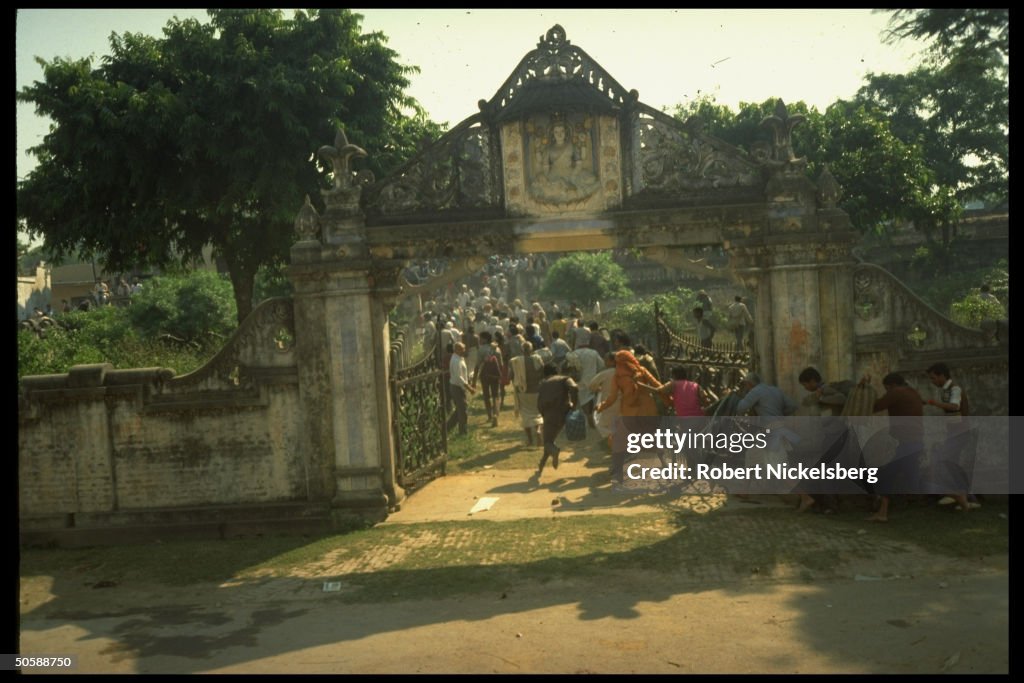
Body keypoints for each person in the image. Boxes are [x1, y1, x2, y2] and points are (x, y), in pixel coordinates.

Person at [864, 372, 926, 522]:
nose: (887, 392)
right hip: (914, 441)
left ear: (891, 386)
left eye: (886, 389)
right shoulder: (913, 392)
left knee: (886, 474)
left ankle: (882, 513)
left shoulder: (896, 392)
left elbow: (875, 406)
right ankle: (963, 497)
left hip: (905, 442)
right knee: (912, 479)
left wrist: (865, 391)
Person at [596, 350, 661, 482]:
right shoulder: (642, 370)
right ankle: (664, 467)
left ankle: (619, 472)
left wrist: (601, 407)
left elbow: (612, 397)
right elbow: (658, 387)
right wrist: (670, 398)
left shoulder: (618, 376)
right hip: (648, 410)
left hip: (629, 411)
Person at [925, 363, 977, 511]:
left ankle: (966, 496)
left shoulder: (955, 389)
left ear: (942, 375)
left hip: (960, 432)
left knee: (948, 462)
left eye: (933, 378)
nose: (932, 381)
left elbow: (955, 407)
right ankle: (959, 494)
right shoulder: (945, 390)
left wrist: (934, 403)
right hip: (954, 432)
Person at [530, 118, 600, 204]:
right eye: (556, 132)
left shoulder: (571, 145)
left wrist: (582, 142)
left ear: (565, 132)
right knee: (537, 186)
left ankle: (573, 193)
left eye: (562, 131)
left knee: (592, 179)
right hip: (554, 174)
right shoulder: (549, 149)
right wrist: (537, 148)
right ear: (553, 134)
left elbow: (581, 159)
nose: (559, 134)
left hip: (570, 172)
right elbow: (543, 164)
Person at [533, 363, 579, 480]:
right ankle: (541, 465)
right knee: (549, 440)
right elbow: (574, 387)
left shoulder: (543, 383)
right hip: (563, 411)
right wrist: (574, 405)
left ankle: (554, 451)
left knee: (548, 442)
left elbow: (539, 400)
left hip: (549, 413)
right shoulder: (564, 379)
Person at [509, 341, 545, 447]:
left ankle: (530, 440)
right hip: (536, 390)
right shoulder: (537, 359)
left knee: (525, 416)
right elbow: (542, 373)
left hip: (522, 391)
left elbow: (511, 375)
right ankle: (538, 430)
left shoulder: (515, 361)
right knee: (538, 413)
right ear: (531, 349)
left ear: (521, 350)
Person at [472, 331, 504, 427]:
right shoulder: (497, 349)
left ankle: (489, 415)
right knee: (496, 395)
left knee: (486, 396)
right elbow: (501, 364)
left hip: (485, 375)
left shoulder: (481, 350)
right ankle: (496, 414)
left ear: (485, 339)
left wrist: (473, 381)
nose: (479, 340)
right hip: (495, 375)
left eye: (480, 338)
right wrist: (500, 375)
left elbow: (477, 366)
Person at [446, 342, 475, 437]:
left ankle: (447, 427)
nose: (464, 350)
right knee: (463, 409)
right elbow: (459, 377)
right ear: (457, 350)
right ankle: (462, 431)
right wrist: (469, 387)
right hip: (457, 387)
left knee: (459, 408)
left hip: (458, 387)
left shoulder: (459, 358)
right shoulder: (455, 360)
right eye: (462, 349)